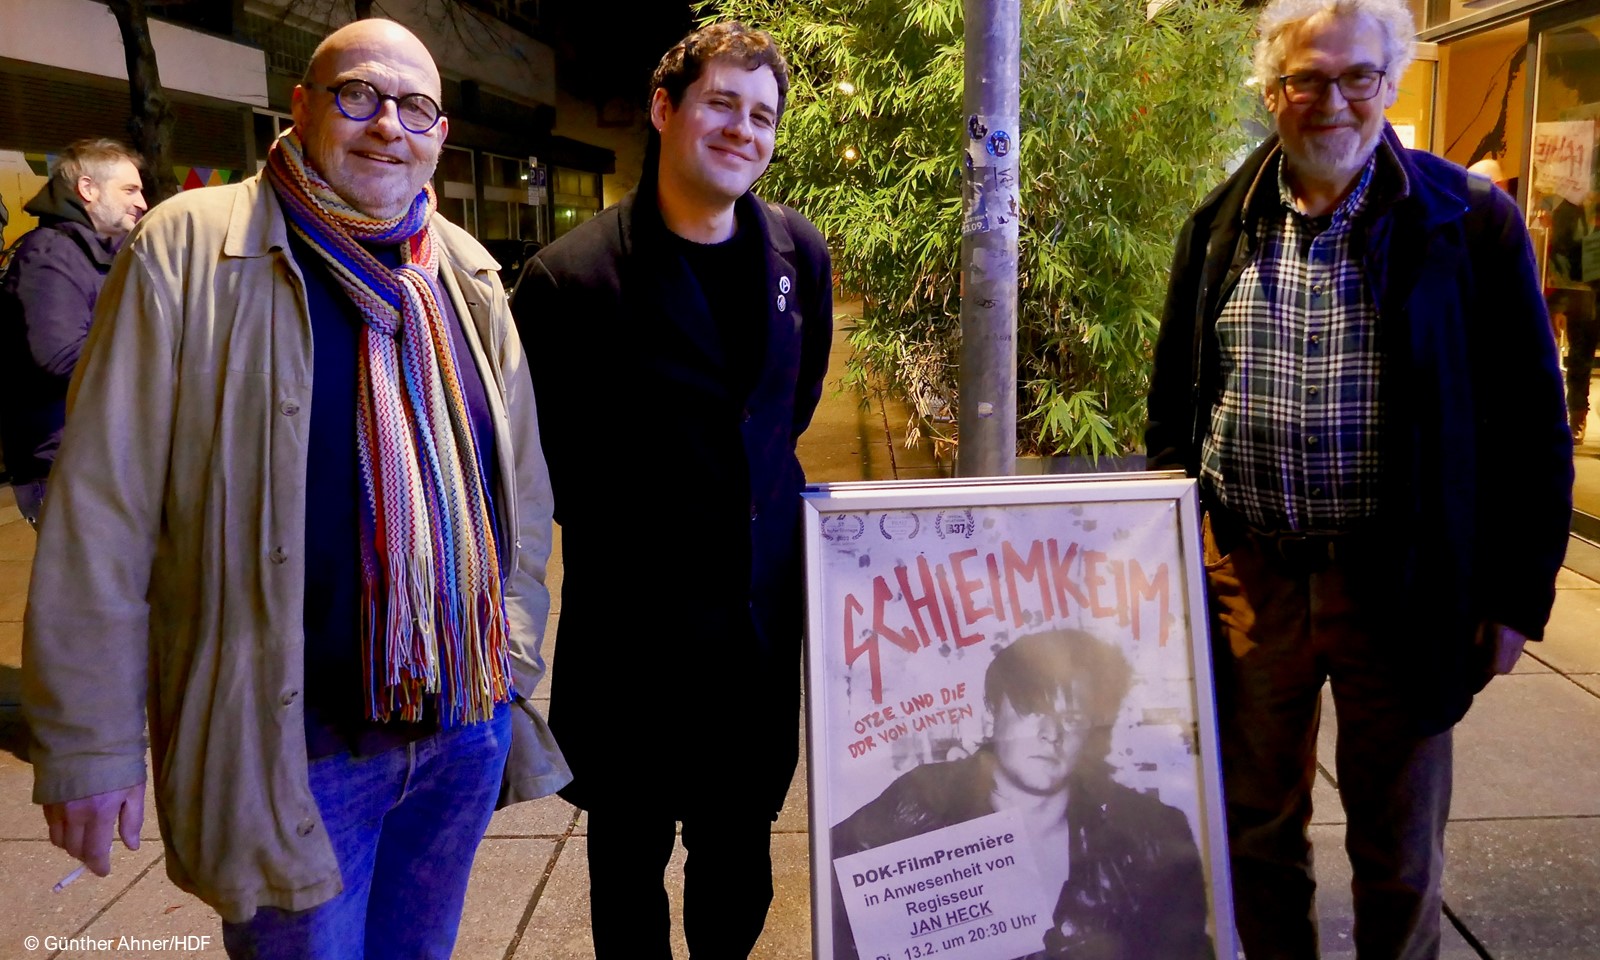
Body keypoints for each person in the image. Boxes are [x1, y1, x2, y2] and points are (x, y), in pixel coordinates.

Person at [23, 19, 568, 959]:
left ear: (438, 134)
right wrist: (89, 744)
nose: (389, 124)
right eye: (360, 95)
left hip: (459, 730)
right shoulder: (188, 249)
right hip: (298, 751)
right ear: (304, 107)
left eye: (416, 107)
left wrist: (511, 659)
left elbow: (517, 491)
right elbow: (100, 512)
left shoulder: (462, 268)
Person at [1146, 1, 1573, 957]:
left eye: (1358, 77)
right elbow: (1173, 414)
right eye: (1307, 78)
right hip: (1248, 581)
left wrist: (1515, 595)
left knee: (1399, 841)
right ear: (1271, 90)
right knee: (1256, 825)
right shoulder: (1217, 226)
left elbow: (1533, 428)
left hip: (1406, 583)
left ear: (1393, 82)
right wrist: (1169, 565)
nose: (1331, 101)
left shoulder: (1470, 223)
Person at [510, 20, 832, 960]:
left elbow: (786, 408)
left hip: (758, 635)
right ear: (665, 109)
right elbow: (545, 472)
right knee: (627, 862)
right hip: (633, 644)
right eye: (721, 103)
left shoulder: (797, 254)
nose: (743, 129)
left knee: (738, 859)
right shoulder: (568, 281)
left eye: (762, 115)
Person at [829, 629, 1214, 960]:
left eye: (1073, 719)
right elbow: (840, 925)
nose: (1052, 733)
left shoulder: (1152, 834)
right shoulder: (920, 804)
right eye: (1034, 710)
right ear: (990, 715)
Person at [0, 138, 146, 526]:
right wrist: (154, 353)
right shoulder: (49, 254)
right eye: (129, 190)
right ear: (87, 189)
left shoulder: (94, 254)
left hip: (92, 459)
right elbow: (61, 358)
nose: (142, 203)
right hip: (64, 467)